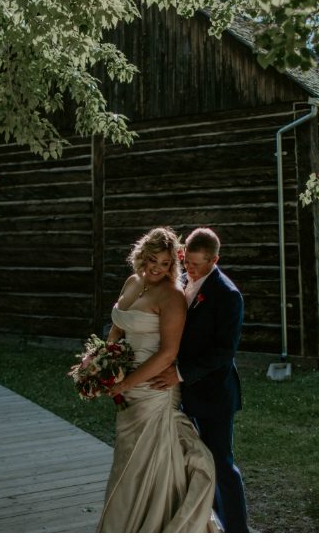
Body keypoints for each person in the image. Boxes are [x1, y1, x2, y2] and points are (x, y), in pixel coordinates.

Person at [97, 227, 220, 532]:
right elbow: (118, 327)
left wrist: (126, 383)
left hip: (153, 389)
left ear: (172, 264)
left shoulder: (173, 297)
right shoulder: (132, 282)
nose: (157, 268)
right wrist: (100, 363)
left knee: (149, 466)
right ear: (142, 255)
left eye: (165, 264)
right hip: (124, 386)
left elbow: (168, 353)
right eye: (153, 260)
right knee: (126, 464)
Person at [149, 227, 249, 533]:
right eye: (186, 261)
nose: (188, 269)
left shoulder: (227, 295)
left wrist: (179, 372)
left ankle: (237, 530)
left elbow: (223, 352)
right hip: (181, 393)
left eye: (195, 265)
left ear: (214, 259)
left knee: (220, 464)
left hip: (214, 395)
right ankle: (212, 523)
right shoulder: (180, 282)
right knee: (194, 463)